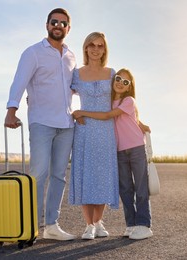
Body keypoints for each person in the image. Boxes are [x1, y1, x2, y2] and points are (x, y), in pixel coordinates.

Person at [4, 8, 77, 241]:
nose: (58, 26)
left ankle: (52, 225)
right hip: (42, 122)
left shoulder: (71, 55)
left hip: (66, 123)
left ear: (68, 28)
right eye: (54, 22)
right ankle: (31, 226)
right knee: (38, 173)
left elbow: (73, 87)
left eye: (63, 23)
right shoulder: (33, 53)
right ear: (47, 25)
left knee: (58, 175)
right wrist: (11, 111)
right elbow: (19, 82)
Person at [72, 68, 153, 240]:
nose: (120, 83)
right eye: (118, 79)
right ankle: (131, 225)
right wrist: (142, 124)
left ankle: (144, 225)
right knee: (125, 189)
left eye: (125, 82)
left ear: (130, 86)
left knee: (140, 187)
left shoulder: (129, 100)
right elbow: (134, 119)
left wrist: (82, 112)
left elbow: (108, 115)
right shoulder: (109, 101)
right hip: (120, 150)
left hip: (136, 147)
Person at [68, 32, 120, 240]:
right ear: (86, 48)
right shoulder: (77, 74)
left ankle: (98, 222)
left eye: (100, 46)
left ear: (104, 50)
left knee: (102, 175)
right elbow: (62, 95)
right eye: (92, 45)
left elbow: (122, 101)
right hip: (85, 130)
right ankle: (88, 225)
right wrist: (72, 112)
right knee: (85, 175)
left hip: (106, 131)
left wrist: (138, 122)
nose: (96, 49)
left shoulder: (111, 73)